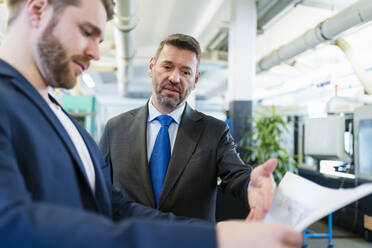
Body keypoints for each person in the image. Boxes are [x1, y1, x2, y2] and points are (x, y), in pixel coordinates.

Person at [0, 0, 303, 247]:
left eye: (186, 72)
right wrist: (217, 238)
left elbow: (111, 204)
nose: (95, 52)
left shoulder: (59, 116)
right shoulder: (112, 126)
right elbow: (12, 225)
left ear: (195, 80)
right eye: (85, 30)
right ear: (38, 9)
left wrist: (218, 233)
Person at [99, 33, 277, 222]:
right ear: (151, 67)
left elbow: (236, 175)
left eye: (185, 72)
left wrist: (251, 185)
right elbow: (98, 187)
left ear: (196, 80)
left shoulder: (214, 131)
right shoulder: (116, 129)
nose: (175, 78)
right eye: (167, 66)